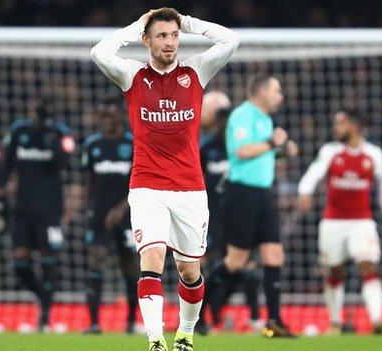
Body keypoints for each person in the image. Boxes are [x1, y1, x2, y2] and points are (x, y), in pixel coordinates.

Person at [91, 7, 239, 351]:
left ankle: (185, 334)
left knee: (190, 272)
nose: (170, 42)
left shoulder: (196, 71)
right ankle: (156, 339)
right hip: (147, 186)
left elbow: (231, 39)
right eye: (161, 35)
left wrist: (187, 23)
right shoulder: (132, 76)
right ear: (147, 41)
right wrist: (137, 24)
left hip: (190, 188)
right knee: (153, 257)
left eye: (174, 36)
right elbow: (99, 52)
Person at [206, 76, 298, 338]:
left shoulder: (266, 120)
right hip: (242, 193)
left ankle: (274, 322)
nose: (280, 96)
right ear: (260, 92)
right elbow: (242, 152)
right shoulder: (243, 115)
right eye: (276, 90)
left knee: (274, 256)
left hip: (263, 194)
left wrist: (282, 151)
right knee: (236, 261)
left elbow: (262, 153)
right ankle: (197, 310)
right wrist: (273, 143)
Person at [297, 110, 382, 335]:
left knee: (368, 264)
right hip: (333, 222)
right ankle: (335, 322)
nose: (336, 128)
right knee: (335, 271)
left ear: (353, 126)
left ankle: (377, 320)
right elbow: (314, 172)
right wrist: (305, 191)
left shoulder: (374, 154)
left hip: (362, 222)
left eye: (340, 124)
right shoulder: (330, 151)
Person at [1, 96, 75, 332]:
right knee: (20, 264)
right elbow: (5, 165)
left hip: (50, 211)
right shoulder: (18, 131)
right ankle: (44, 298)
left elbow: (65, 162)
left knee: (48, 262)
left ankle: (44, 318)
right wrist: (2, 195)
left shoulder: (60, 132)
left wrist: (52, 140)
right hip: (22, 210)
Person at [197, 105, 262, 335]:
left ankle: (254, 320)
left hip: (240, 216)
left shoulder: (242, 149)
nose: (226, 127)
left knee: (246, 269)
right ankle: (203, 319)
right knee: (214, 268)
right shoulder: (205, 148)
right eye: (222, 122)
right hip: (213, 218)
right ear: (215, 123)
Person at [81, 102, 139, 334]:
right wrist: (89, 210)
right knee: (96, 260)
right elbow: (89, 183)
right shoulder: (92, 145)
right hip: (100, 215)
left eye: (110, 115)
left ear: (120, 118)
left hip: (128, 214)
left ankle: (131, 322)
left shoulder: (132, 144)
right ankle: (94, 323)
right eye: (102, 115)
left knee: (130, 266)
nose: (105, 119)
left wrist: (121, 208)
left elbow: (140, 182)